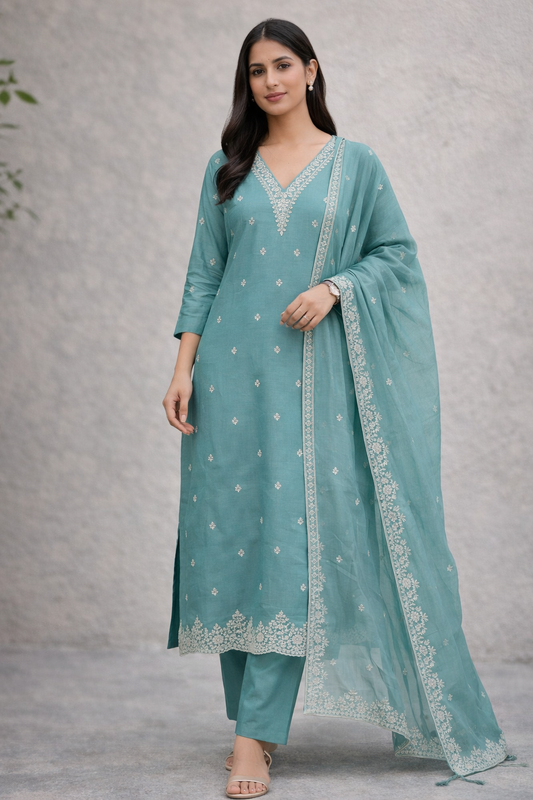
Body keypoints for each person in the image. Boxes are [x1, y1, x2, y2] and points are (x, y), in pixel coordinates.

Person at [162, 18, 509, 799]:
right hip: (227, 381)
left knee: (287, 549)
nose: (269, 80)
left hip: (311, 389)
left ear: (311, 70)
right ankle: (249, 722)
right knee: (235, 544)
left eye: (282, 65)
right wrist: (181, 368)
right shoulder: (228, 166)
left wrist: (334, 288)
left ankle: (254, 738)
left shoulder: (355, 168)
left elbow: (395, 256)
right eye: (255, 70)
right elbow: (202, 274)